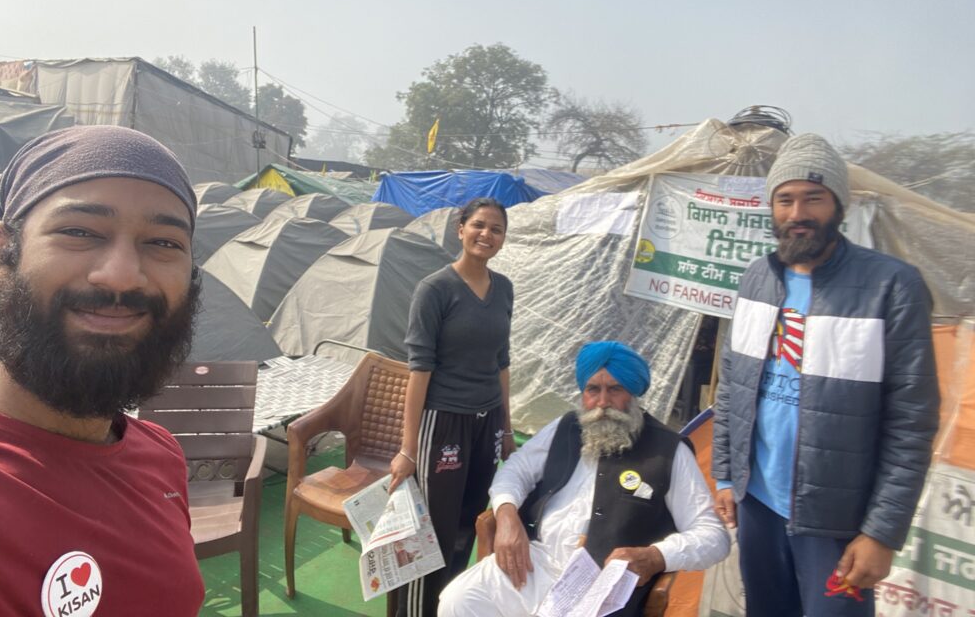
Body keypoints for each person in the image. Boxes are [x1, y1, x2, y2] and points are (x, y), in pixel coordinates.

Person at [0, 126, 206, 616]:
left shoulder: (160, 456)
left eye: (163, 243)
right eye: (80, 232)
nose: (121, 275)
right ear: (4, 251)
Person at [712, 133, 940, 616]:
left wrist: (881, 531)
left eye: (813, 198)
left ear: (838, 205)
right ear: (772, 207)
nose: (798, 213)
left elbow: (911, 422)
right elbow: (733, 382)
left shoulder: (891, 286)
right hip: (758, 505)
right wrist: (728, 475)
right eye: (785, 199)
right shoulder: (757, 277)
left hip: (836, 521)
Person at [438, 341, 730, 617]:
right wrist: (506, 513)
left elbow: (712, 536)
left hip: (601, 584)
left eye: (615, 389)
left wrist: (655, 556)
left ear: (633, 393)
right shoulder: (566, 428)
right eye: (593, 390)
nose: (603, 402)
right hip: (534, 563)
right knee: (459, 601)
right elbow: (516, 470)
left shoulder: (668, 450)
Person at [388, 197, 516, 617]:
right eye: (478, 225)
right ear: (460, 229)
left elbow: (502, 361)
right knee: (429, 529)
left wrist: (508, 429)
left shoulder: (504, 289)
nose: (487, 235)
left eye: (496, 229)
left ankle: (448, 605)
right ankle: (411, 611)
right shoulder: (435, 289)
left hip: (487, 422)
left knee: (467, 521)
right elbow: (419, 369)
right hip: (442, 423)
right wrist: (409, 449)